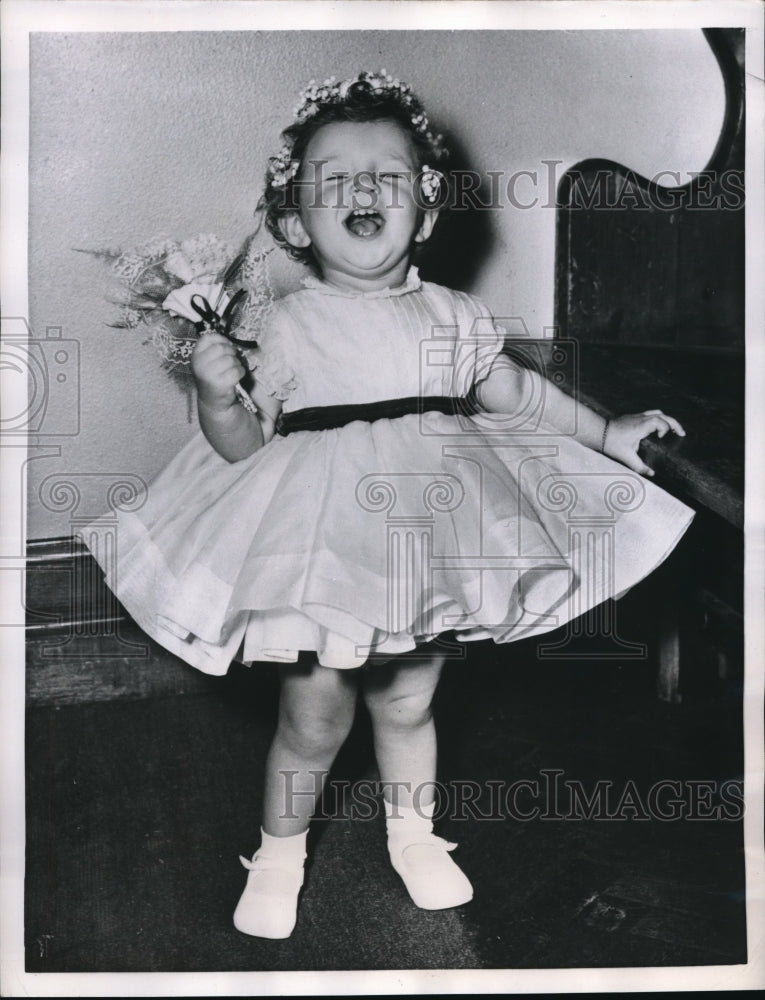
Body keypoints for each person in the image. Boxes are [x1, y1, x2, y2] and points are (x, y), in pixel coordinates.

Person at [84, 71, 694, 939]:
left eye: (389, 175)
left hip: (430, 534)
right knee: (315, 713)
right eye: (334, 177)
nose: (363, 189)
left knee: (409, 700)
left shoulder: (454, 314)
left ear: (428, 212)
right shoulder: (286, 326)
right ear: (295, 220)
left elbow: (517, 396)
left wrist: (609, 435)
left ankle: (413, 832)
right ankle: (280, 849)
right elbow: (245, 446)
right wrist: (218, 396)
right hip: (322, 542)